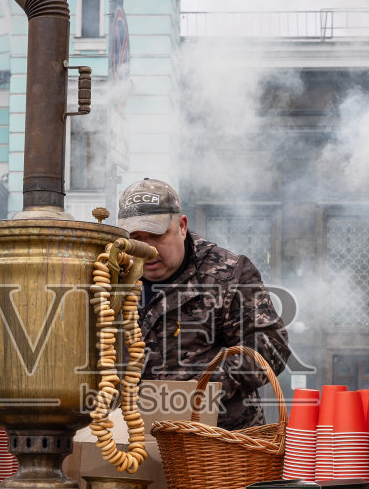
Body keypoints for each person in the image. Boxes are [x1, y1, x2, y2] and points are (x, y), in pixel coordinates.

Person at [118, 179, 291, 430]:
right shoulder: (111, 276)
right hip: (129, 432)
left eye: (156, 235)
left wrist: (204, 387)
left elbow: (272, 345)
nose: (147, 249)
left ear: (182, 226)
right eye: (136, 238)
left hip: (218, 438)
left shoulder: (228, 273)